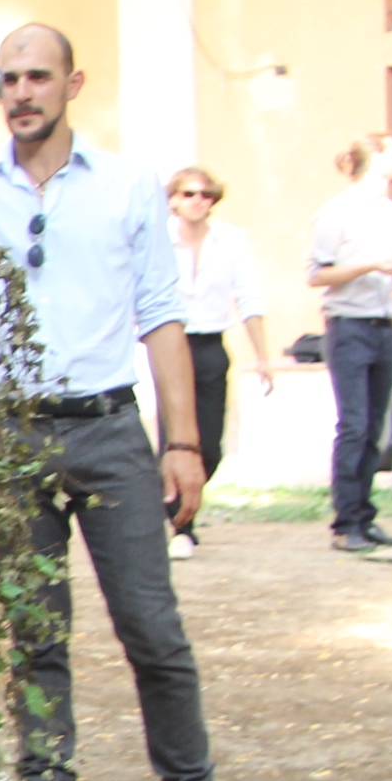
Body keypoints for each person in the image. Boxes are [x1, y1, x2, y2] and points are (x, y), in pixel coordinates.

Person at [0, 26, 244, 781]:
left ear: (72, 84)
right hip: (13, 435)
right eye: (9, 78)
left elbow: (161, 314)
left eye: (39, 76)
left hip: (109, 431)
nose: (23, 92)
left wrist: (182, 443)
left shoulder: (127, 186)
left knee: (153, 629)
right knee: (36, 638)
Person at [306, 134, 392, 554]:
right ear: (374, 157)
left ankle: (364, 517)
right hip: (348, 326)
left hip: (384, 327)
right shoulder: (336, 212)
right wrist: (369, 264)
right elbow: (317, 275)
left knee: (376, 427)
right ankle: (345, 524)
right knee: (354, 424)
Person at [163, 164, 273, 560]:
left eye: (205, 195)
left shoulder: (230, 240)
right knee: (175, 437)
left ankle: (179, 504)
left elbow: (249, 297)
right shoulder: (160, 239)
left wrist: (262, 357)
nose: (198, 201)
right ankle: (180, 526)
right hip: (171, 343)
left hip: (211, 344)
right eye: (188, 194)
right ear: (174, 200)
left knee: (210, 446)